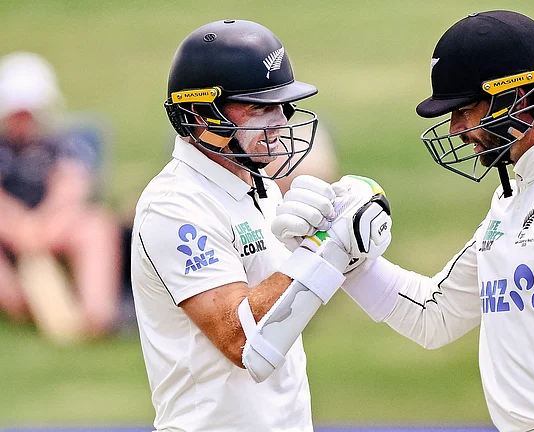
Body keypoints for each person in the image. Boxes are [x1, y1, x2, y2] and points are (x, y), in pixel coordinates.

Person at [273, 10, 534, 432]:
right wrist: (341, 253)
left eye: (465, 109)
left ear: (519, 98)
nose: (455, 128)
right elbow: (434, 316)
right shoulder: (515, 198)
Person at [130, 19, 392, 431]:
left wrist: (342, 248)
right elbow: (244, 341)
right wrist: (323, 247)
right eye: (259, 107)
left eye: (283, 106)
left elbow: (287, 307)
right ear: (201, 113)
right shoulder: (174, 206)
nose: (280, 122)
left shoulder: (260, 184)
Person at [0, 51, 121, 341]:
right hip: (8, 228)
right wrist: (17, 227)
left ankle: (96, 314)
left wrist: (41, 227)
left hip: (54, 225)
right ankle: (19, 304)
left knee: (97, 226)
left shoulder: (65, 144)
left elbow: (70, 190)